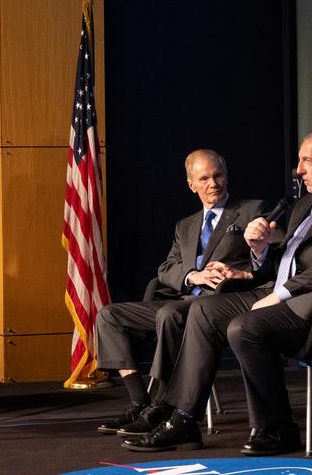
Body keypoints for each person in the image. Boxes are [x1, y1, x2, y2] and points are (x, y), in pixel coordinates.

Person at [123, 129, 312, 455]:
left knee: (244, 327)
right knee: (203, 310)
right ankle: (183, 417)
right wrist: (261, 249)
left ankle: (275, 428)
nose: (299, 170)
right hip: (282, 292)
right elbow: (281, 263)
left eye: (306, 160)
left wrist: (279, 295)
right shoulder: (308, 203)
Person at [93, 150, 265, 436]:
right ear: (191, 185)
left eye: (218, 175)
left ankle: (164, 405)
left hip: (219, 304)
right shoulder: (185, 225)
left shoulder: (252, 210)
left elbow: (270, 257)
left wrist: (244, 268)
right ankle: (140, 401)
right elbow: (166, 268)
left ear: (227, 175)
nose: (214, 183)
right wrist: (191, 275)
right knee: (109, 315)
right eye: (205, 178)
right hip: (181, 299)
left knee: (169, 315)